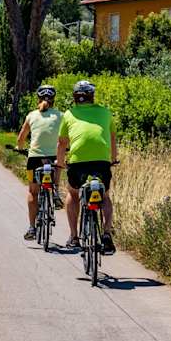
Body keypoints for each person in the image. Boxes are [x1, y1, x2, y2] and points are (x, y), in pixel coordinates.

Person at [55, 80, 117, 254]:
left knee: (73, 194)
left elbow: (62, 143)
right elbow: (112, 138)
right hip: (101, 162)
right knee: (104, 196)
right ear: (92, 97)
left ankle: (74, 236)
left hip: (77, 162)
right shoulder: (106, 112)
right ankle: (106, 234)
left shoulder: (69, 114)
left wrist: (60, 162)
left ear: (75, 98)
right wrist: (113, 159)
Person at [15, 85, 63, 240]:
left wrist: (19, 147)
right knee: (59, 161)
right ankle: (55, 189)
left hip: (34, 159)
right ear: (54, 100)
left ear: (38, 99)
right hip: (53, 157)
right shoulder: (61, 115)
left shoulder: (31, 115)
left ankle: (32, 228)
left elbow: (21, 137)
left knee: (32, 192)